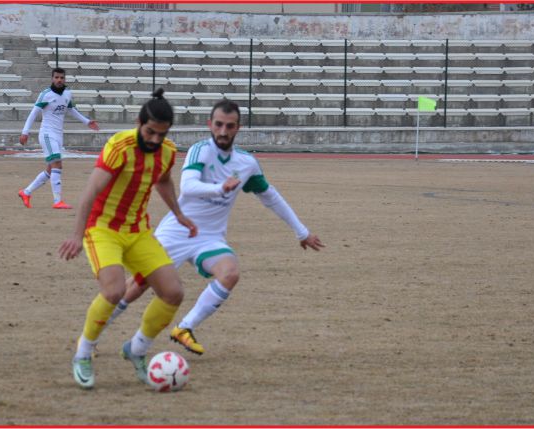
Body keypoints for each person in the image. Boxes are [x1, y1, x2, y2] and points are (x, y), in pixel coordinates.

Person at [105, 99, 325, 355]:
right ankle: (96, 332)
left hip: (209, 237)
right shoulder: (201, 150)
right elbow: (188, 186)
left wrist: (302, 231)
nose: (223, 131)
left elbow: (270, 196)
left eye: (229, 126)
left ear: (238, 128)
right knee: (137, 286)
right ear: (210, 124)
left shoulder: (246, 163)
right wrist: (220, 188)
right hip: (178, 230)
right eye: (218, 125)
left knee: (230, 273)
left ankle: (185, 328)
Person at [58, 88, 197, 390]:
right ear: (139, 122)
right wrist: (76, 235)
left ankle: (136, 349)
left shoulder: (168, 151)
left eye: (161, 134)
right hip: (103, 228)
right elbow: (90, 192)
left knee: (173, 293)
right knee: (114, 290)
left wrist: (180, 214)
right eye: (150, 132)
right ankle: (83, 354)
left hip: (138, 232)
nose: (155, 140)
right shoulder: (118, 146)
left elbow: (163, 181)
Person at [18, 67, 100, 209]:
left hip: (58, 135)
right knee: (57, 164)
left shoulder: (67, 93)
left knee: (51, 169)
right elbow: (33, 113)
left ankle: (26, 192)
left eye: (61, 77)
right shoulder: (46, 94)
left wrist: (86, 121)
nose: (59, 80)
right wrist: (25, 132)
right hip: (47, 134)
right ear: (52, 78)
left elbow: (70, 110)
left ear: (64, 79)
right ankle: (57, 201)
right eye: (56, 77)